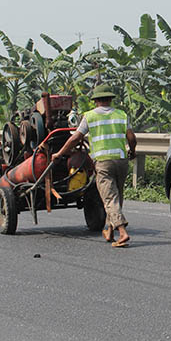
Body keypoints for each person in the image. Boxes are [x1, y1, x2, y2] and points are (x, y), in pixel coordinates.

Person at [52, 85, 137, 247]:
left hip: (103, 162)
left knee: (110, 198)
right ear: (110, 99)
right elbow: (131, 138)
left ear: (96, 100)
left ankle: (122, 233)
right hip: (121, 160)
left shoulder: (90, 116)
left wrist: (60, 153)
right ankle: (110, 231)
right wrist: (132, 152)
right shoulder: (121, 114)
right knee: (116, 196)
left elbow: (75, 138)